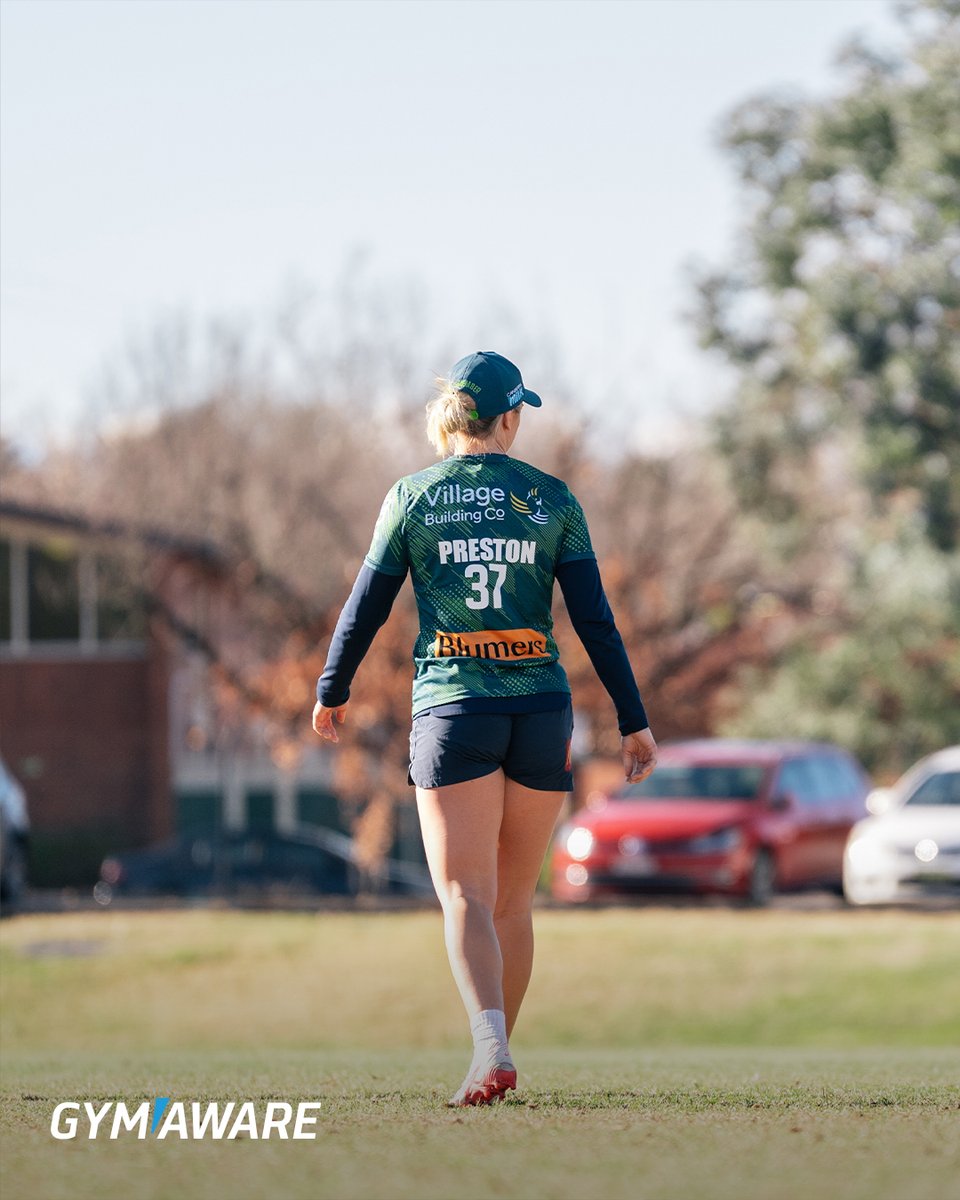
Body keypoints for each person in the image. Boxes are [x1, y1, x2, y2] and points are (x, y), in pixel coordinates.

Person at [312, 351, 657, 1106]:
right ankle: (494, 1054)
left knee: (465, 895)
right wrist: (634, 721)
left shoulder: (413, 496)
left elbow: (365, 606)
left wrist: (333, 688)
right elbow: (595, 621)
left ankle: (489, 1049)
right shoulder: (551, 498)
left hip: (454, 710)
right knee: (512, 902)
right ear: (509, 417)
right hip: (540, 711)